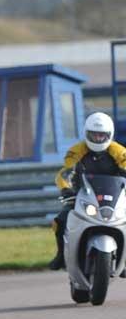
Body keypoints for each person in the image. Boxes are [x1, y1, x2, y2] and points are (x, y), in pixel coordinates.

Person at [49, 112, 126, 270]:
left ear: (109, 135)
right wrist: (66, 189)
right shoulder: (76, 150)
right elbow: (66, 172)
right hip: (84, 195)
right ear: (86, 133)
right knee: (60, 220)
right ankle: (60, 255)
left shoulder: (119, 151)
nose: (98, 139)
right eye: (94, 135)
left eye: (101, 135)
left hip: (115, 197)